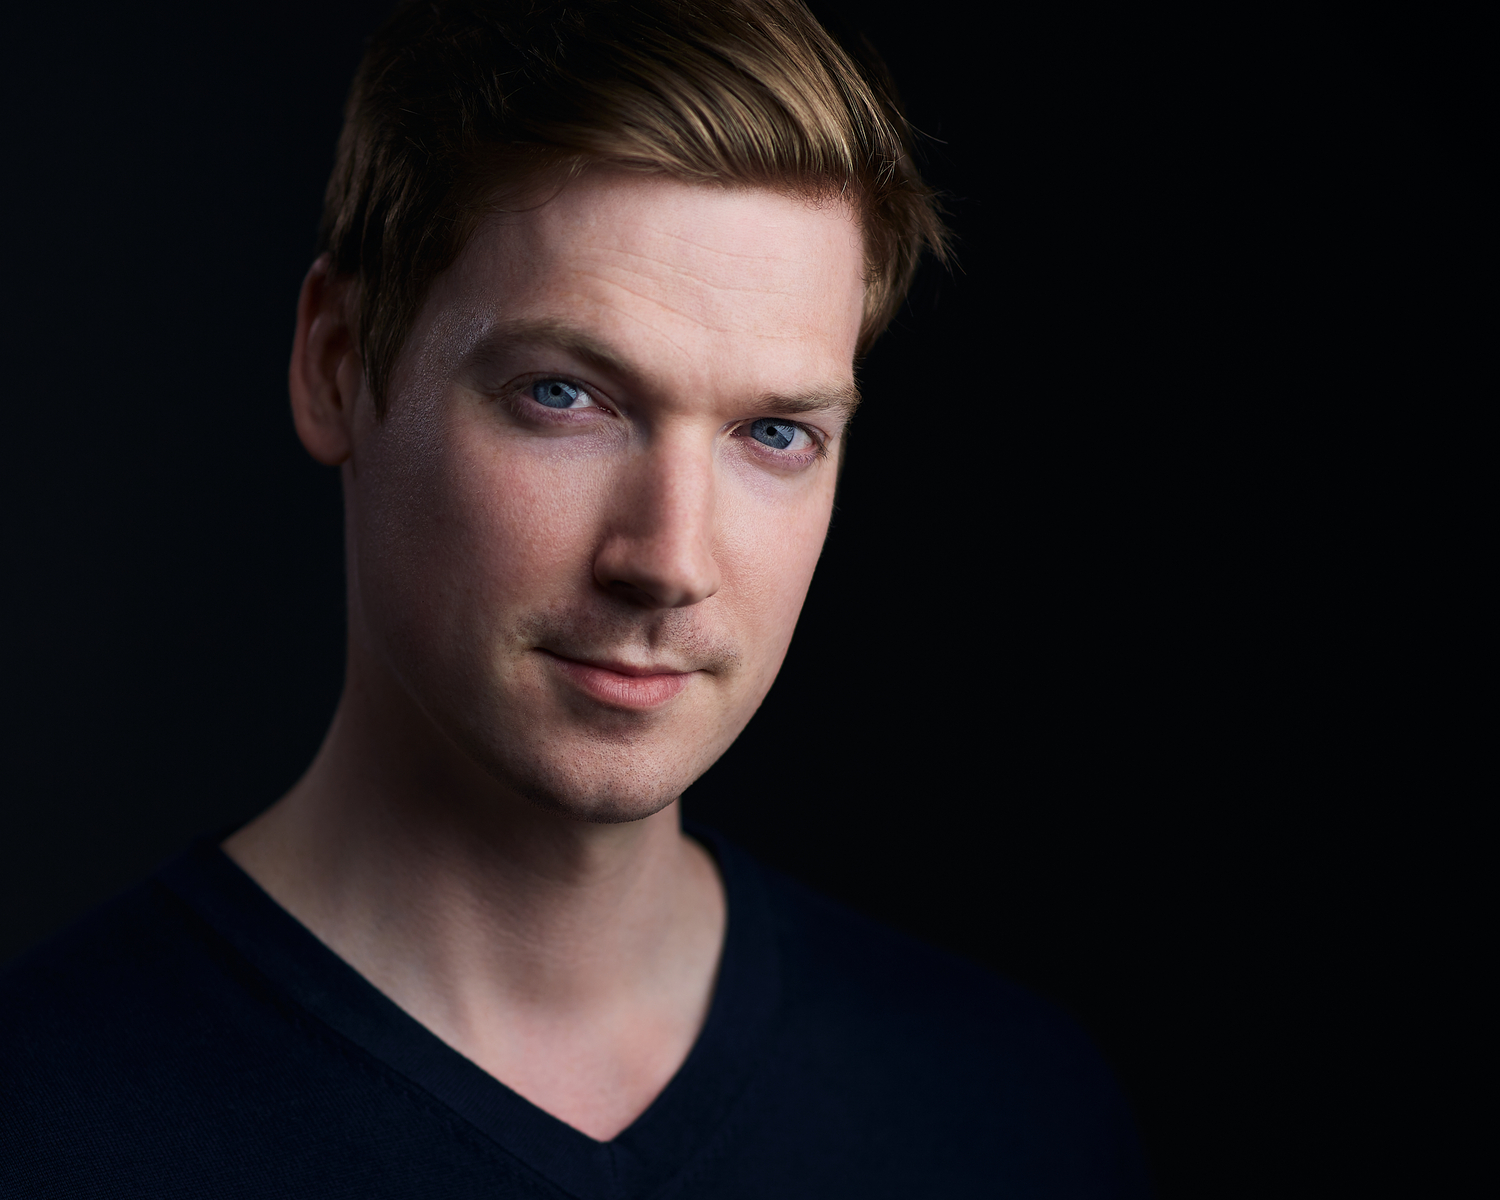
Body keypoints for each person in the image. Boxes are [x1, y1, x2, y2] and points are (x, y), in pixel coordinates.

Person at [0, 1, 1149, 1195]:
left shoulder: (1013, 1113)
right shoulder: (40, 1120)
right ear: (336, 363)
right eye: (564, 397)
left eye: (773, 432)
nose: (669, 560)